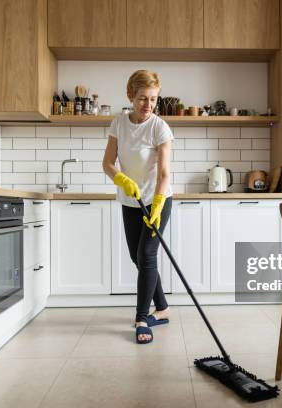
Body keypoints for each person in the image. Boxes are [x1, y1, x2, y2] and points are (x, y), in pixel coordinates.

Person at [102, 70, 174, 344]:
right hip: (130, 200)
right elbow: (108, 163)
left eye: (153, 99)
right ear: (130, 96)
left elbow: (164, 173)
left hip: (158, 199)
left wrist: (156, 204)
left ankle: (142, 318)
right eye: (143, 98)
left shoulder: (160, 127)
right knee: (137, 257)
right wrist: (121, 179)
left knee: (146, 254)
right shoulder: (119, 123)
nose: (148, 105)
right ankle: (163, 308)